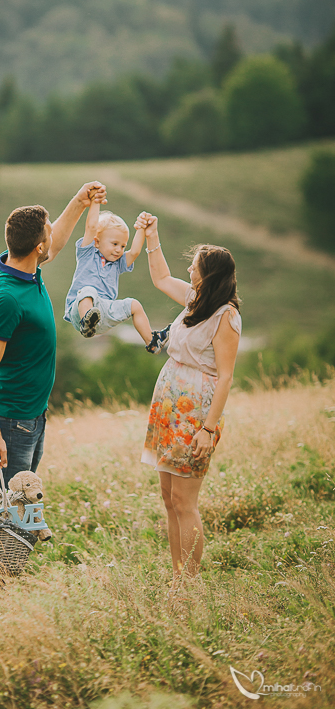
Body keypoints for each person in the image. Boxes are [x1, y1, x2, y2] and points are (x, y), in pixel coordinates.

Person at [136, 211, 241, 588]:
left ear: (209, 274)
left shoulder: (225, 316)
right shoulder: (195, 301)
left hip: (196, 415)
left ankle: (190, 585)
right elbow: (161, 277)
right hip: (169, 408)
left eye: (195, 267)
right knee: (168, 498)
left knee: (185, 501)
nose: (190, 272)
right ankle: (178, 577)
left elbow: (225, 376)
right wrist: (152, 235)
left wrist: (208, 429)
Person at [0, 182, 107, 483]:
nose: (52, 235)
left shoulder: (22, 265)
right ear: (37, 247)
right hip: (13, 422)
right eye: (47, 232)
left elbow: (55, 242)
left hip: (34, 414)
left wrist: (79, 200)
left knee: (21, 504)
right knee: (6, 512)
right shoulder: (5, 297)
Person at [63, 199, 170, 353]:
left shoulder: (118, 263)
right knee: (88, 291)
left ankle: (152, 342)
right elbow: (91, 226)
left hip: (104, 313)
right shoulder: (87, 253)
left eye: (122, 245)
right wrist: (95, 201)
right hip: (78, 310)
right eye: (114, 244)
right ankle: (86, 321)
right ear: (97, 242)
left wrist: (141, 228)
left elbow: (134, 252)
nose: (119, 250)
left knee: (134, 305)